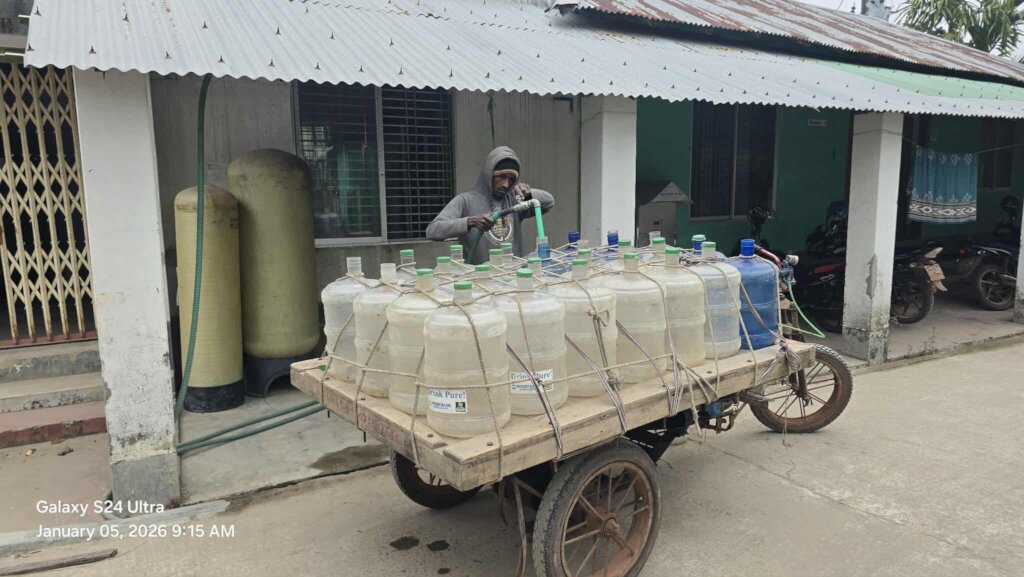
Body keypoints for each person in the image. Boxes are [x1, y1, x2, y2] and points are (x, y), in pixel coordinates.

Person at [426, 146, 554, 264]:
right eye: (502, 177)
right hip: (481, 276)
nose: (506, 184)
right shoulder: (465, 201)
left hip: (513, 275)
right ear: (489, 174)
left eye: (511, 179)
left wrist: (527, 195)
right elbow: (433, 230)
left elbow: (548, 202)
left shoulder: (514, 199)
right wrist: (470, 222)